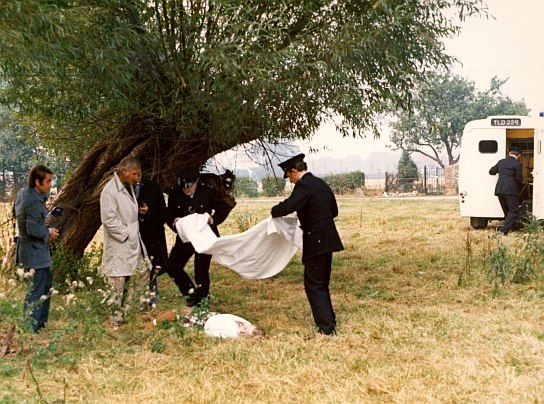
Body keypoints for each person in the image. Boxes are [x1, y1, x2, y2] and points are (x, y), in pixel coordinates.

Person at [271, 154, 344, 336]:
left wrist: (274, 211)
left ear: (294, 171)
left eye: (289, 177)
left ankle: (326, 330)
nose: (291, 181)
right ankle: (329, 322)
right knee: (322, 283)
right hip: (328, 239)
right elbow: (333, 211)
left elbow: (288, 205)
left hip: (315, 240)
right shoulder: (321, 183)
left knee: (313, 285)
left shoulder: (303, 185)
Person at [165, 167, 231, 306]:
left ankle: (202, 301)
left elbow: (223, 208)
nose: (186, 189)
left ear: (196, 181)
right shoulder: (175, 192)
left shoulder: (207, 191)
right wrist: (174, 223)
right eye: (183, 186)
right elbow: (169, 214)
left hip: (204, 235)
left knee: (201, 270)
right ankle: (190, 293)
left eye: (189, 186)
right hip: (186, 236)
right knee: (172, 266)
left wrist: (212, 220)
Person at [100, 156, 151, 325]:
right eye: (135, 174)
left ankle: (130, 310)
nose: (138, 178)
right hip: (119, 242)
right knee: (117, 279)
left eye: (139, 174)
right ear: (124, 172)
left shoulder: (128, 187)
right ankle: (116, 318)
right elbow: (108, 220)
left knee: (144, 272)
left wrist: (138, 212)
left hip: (132, 240)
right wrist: (127, 233)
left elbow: (126, 210)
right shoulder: (110, 191)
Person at [14, 165, 60, 332]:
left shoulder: (24, 194)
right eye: (47, 182)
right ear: (37, 181)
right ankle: (30, 327)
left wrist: (42, 222)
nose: (50, 185)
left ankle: (39, 323)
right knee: (36, 289)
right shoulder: (32, 199)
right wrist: (48, 232)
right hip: (34, 252)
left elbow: (23, 218)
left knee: (45, 284)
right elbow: (32, 230)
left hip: (31, 251)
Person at [134, 175, 168, 304]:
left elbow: (161, 210)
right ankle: (134, 298)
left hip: (151, 234)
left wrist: (154, 226)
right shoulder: (125, 188)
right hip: (131, 233)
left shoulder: (152, 187)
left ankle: (152, 298)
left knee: (151, 265)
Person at [144, 309, 266, 338]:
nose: (242, 330)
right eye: (245, 328)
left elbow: (217, 332)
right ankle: (156, 320)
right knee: (182, 311)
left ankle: (154, 323)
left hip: (206, 323)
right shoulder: (245, 323)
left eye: (244, 333)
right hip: (212, 316)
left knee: (178, 318)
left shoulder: (234, 335)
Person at [489, 146, 523, 235]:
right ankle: (502, 231)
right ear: (519, 155)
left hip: (500, 189)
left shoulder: (501, 162)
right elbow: (519, 179)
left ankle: (512, 228)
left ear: (509, 153)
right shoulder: (517, 164)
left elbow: (491, 171)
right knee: (514, 211)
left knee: (507, 211)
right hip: (510, 189)